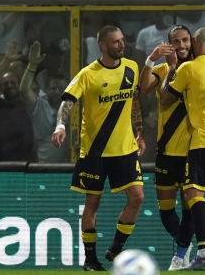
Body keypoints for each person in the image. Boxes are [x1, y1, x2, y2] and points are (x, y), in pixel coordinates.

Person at [51, 25, 146, 271]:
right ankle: (90, 259)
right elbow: (67, 102)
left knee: (137, 197)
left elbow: (134, 100)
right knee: (92, 203)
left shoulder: (132, 68)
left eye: (122, 40)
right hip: (95, 151)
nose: (121, 45)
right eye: (115, 42)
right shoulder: (88, 74)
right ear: (103, 45)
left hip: (125, 149)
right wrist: (60, 125)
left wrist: (140, 131)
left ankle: (115, 248)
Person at [163, 28, 205, 270]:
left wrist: (171, 69)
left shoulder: (190, 68)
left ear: (195, 43)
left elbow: (165, 99)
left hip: (203, 140)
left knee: (193, 194)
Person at [139, 25, 194, 271]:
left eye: (185, 40)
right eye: (176, 41)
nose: (182, 46)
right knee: (166, 211)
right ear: (169, 44)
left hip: (192, 152)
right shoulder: (163, 69)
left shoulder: (197, 69)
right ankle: (185, 245)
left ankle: (181, 253)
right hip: (166, 152)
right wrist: (152, 58)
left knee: (190, 205)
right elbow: (143, 88)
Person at [0, 41, 35, 162]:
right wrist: (6, 62)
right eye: (5, 84)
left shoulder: (28, 104)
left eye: (13, 82)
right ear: (0, 88)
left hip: (27, 164)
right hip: (2, 165)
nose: (9, 86)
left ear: (19, 83)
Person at [19, 42, 69, 163]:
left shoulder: (74, 108)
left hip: (71, 168)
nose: (57, 92)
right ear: (46, 90)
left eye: (61, 89)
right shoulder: (41, 106)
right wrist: (32, 65)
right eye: (53, 88)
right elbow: (24, 90)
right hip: (45, 169)